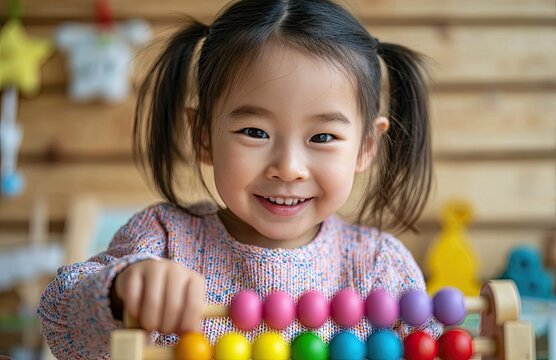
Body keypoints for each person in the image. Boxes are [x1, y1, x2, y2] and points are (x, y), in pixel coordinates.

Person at [38, 0, 441, 358]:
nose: (288, 167)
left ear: (366, 146)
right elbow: (59, 323)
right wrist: (119, 289)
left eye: (322, 137)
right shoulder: (163, 239)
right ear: (202, 136)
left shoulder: (378, 266)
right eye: (255, 132)